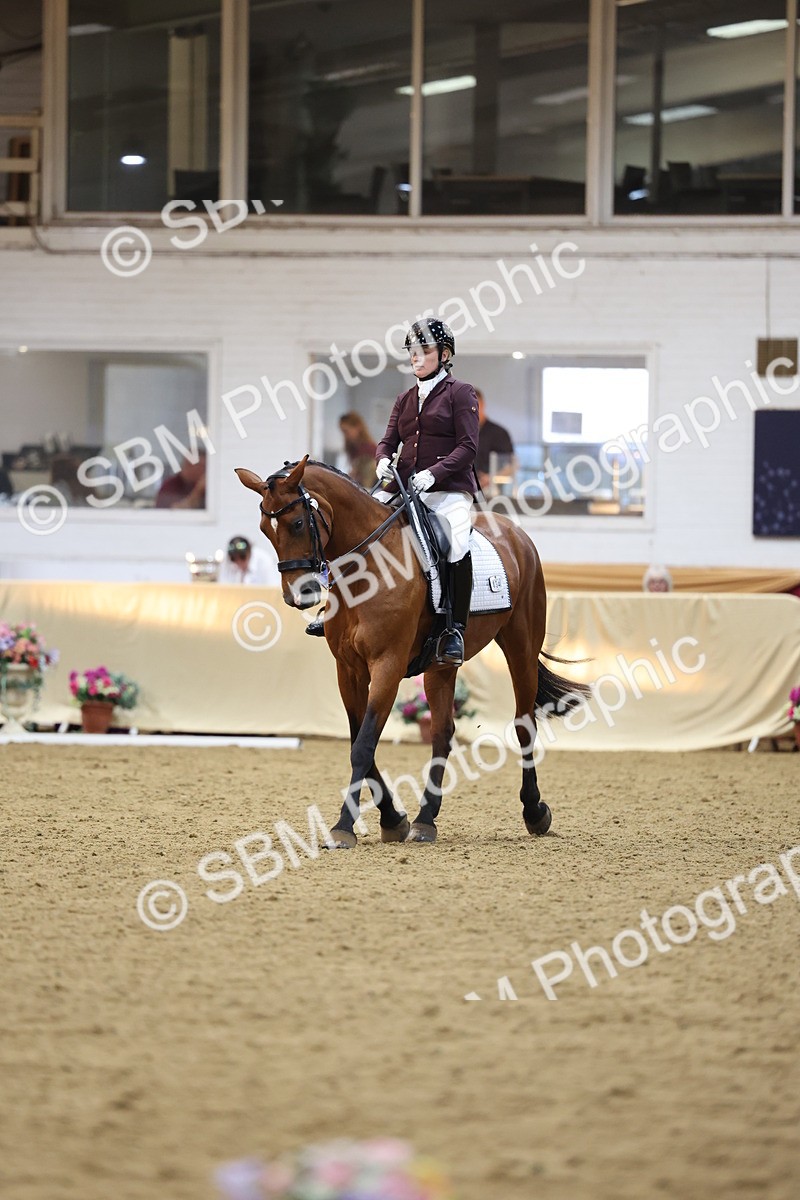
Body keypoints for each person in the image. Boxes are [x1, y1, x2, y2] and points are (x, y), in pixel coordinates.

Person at [475, 389, 515, 493]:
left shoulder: (499, 433)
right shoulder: (458, 432)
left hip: (492, 491)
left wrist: (491, 478)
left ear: (482, 405)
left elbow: (510, 465)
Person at [338, 411, 377, 489]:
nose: (345, 435)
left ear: (358, 427)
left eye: (346, 431)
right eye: (343, 432)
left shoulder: (369, 449)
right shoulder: (353, 449)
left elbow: (366, 477)